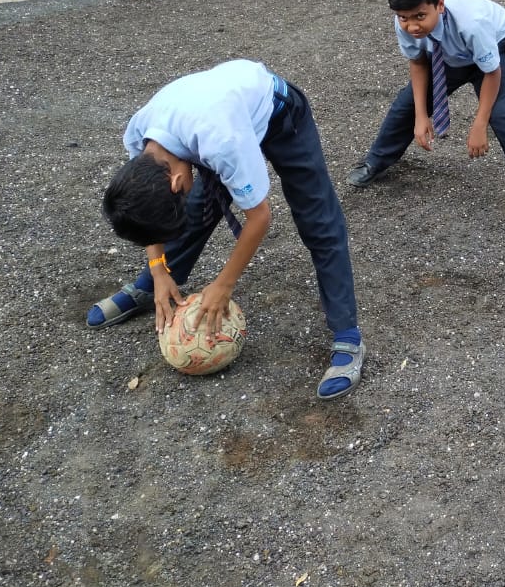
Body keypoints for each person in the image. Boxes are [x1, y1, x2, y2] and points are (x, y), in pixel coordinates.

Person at [93, 59, 366, 401]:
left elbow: (259, 217)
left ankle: (347, 335)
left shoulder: (222, 142)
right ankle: (150, 287)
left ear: (174, 180)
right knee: (194, 208)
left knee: (318, 220)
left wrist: (224, 284)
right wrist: (158, 270)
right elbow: (149, 215)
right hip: (214, 121)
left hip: (278, 112)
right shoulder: (140, 137)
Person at [347, 0, 505, 239]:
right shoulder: (405, 21)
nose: (412, 25)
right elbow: (418, 63)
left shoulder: (473, 23)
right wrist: (421, 116)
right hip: (450, 53)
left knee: (502, 118)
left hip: (496, 46)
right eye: (404, 18)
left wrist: (479, 124)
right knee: (406, 104)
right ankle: (376, 162)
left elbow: (492, 73)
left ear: (439, 4)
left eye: (419, 16)